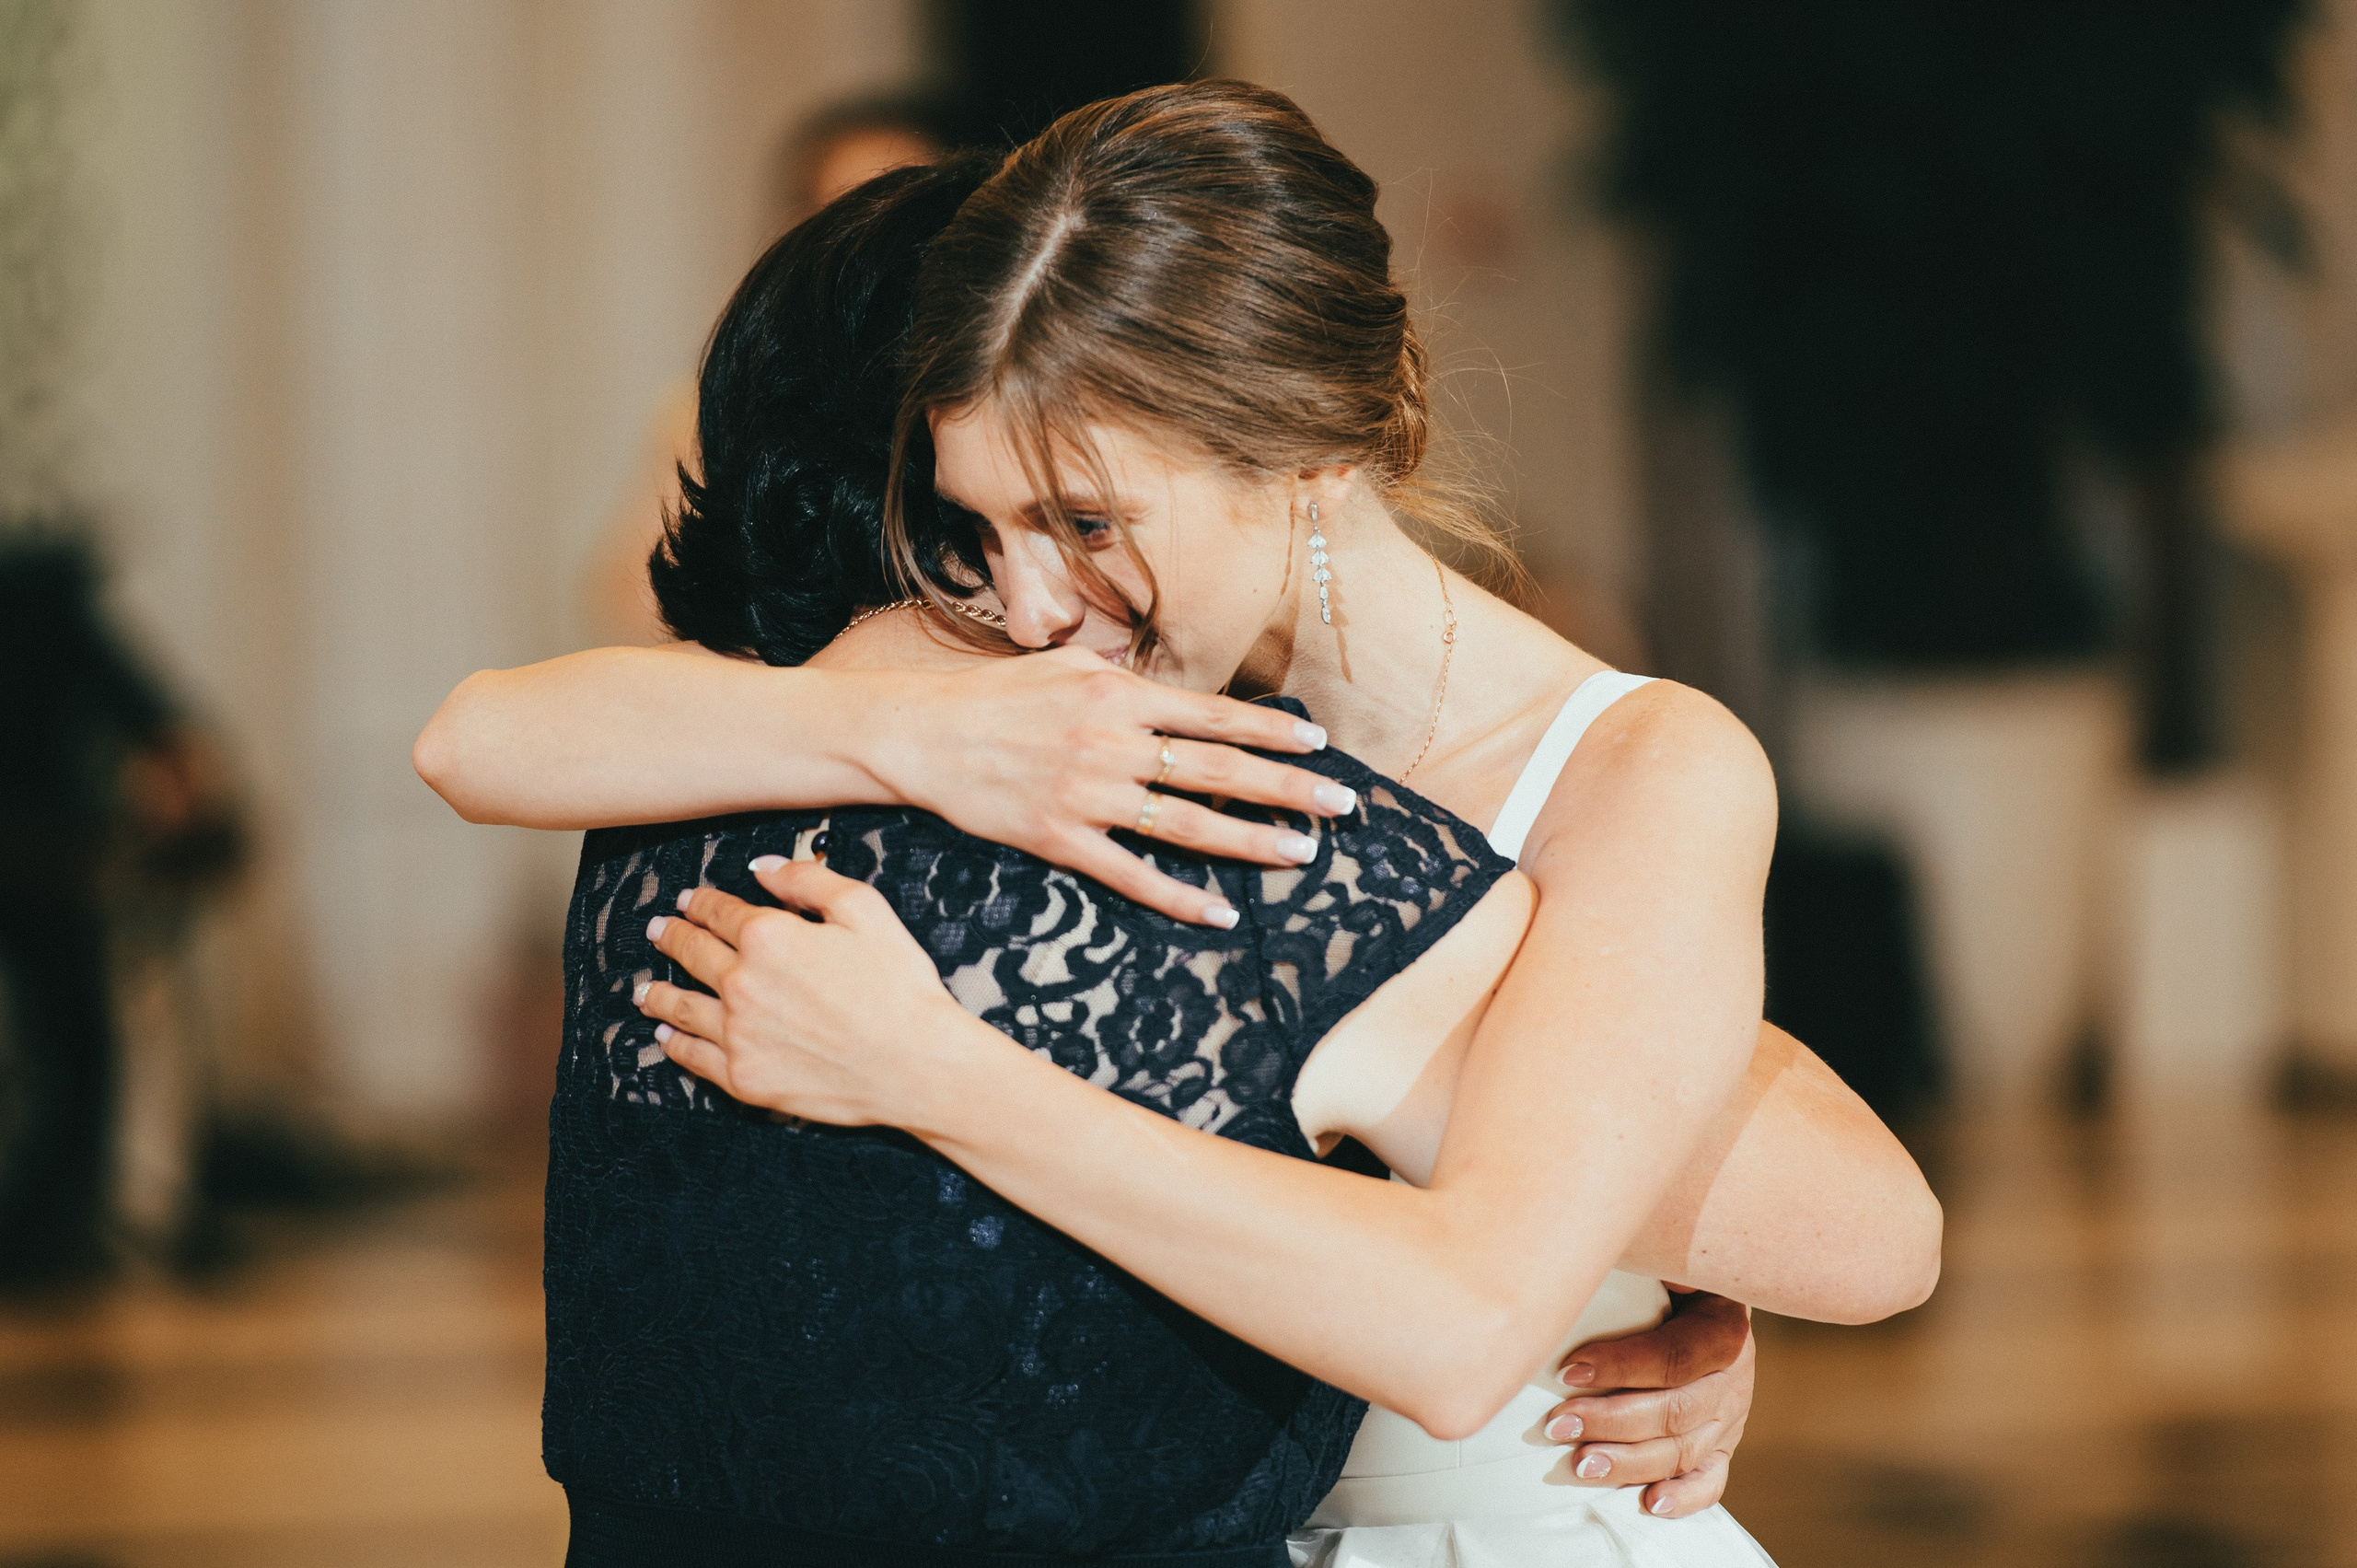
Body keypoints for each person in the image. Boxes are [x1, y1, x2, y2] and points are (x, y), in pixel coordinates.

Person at [418, 88, 1939, 1565]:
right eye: (986, 522)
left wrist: (1644, 1269)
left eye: (1084, 523)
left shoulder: (1639, 766)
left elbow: (1826, 1232)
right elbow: (489, 731)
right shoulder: (1064, 697)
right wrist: (902, 720)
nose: (1019, 602)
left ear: (1308, 454)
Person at [581, 93, 958, 647]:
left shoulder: (989, 393)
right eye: (833, 211)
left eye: (890, 210)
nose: (860, 242)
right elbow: (634, 609)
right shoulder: (716, 407)